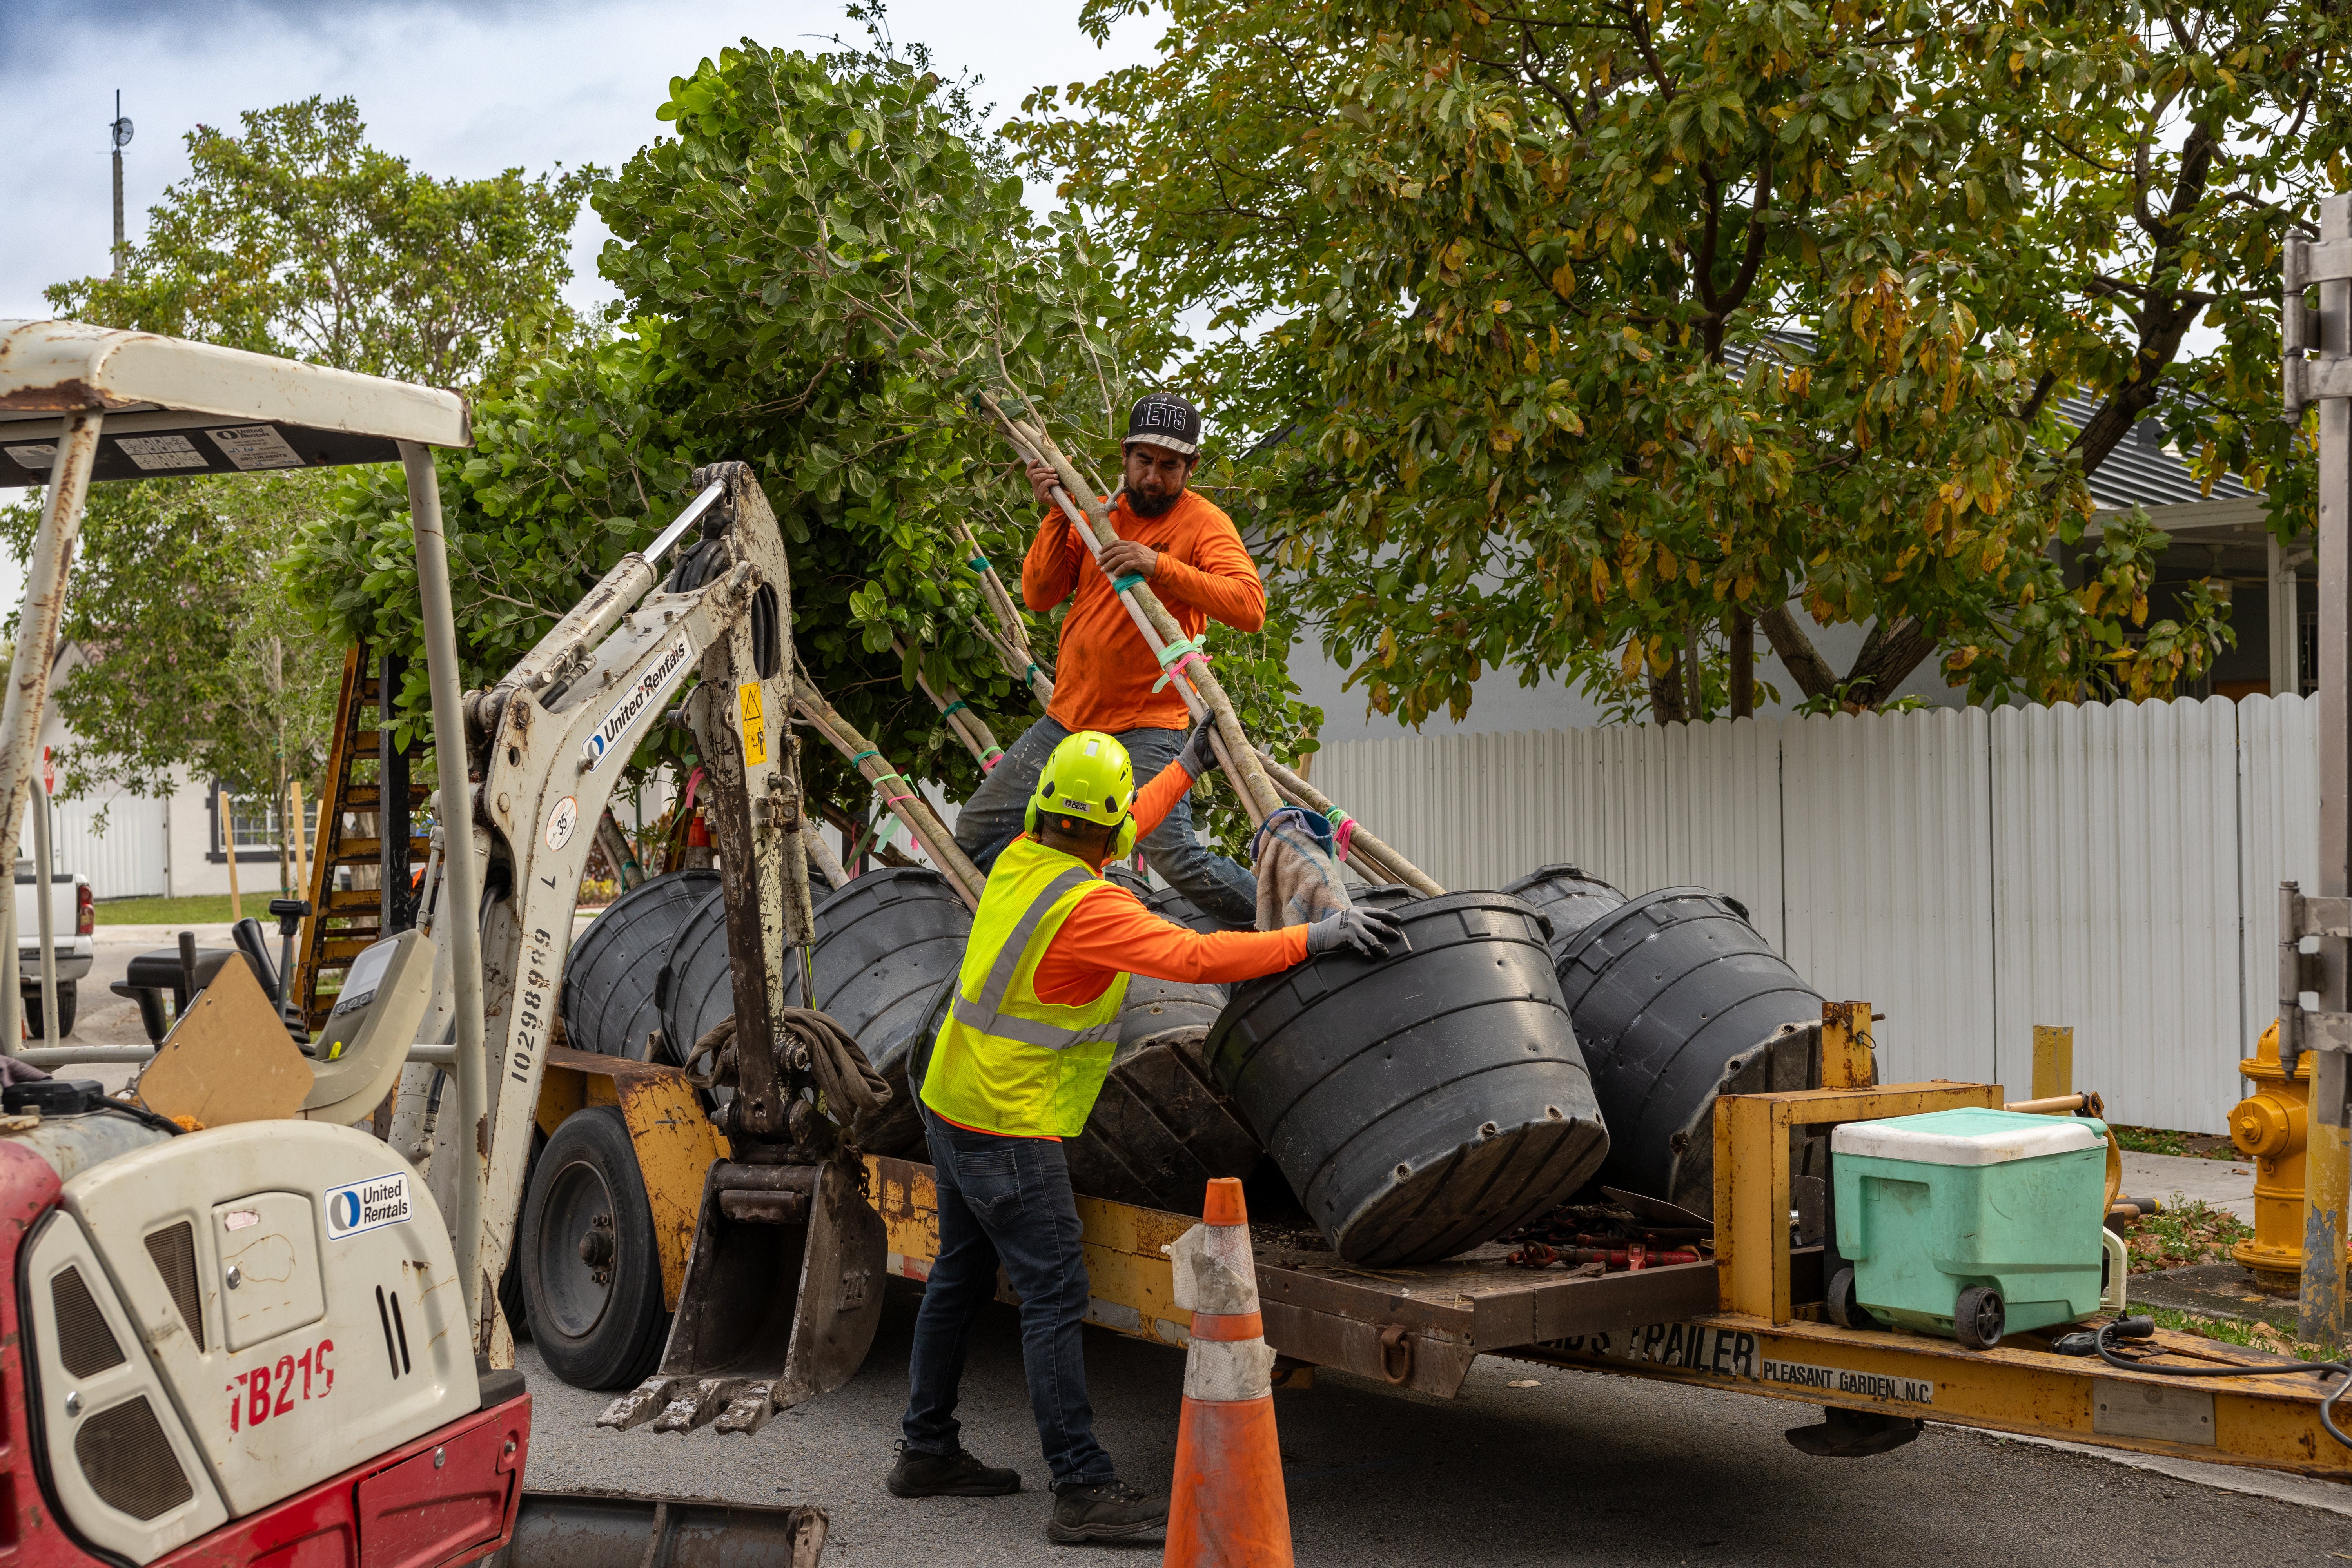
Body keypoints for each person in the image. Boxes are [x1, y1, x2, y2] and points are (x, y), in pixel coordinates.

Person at [891, 728, 1404, 1544]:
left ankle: (926, 1447)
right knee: (1055, 1295)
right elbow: (1196, 956)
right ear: (1101, 826)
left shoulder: (1023, 853)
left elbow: (1117, 822)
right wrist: (1317, 936)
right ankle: (1082, 1488)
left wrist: (1189, 767)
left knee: (958, 1275)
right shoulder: (1089, 909)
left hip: (952, 1103)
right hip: (1010, 1127)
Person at [954, 391, 1263, 928]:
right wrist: (1055, 512)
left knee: (1177, 859)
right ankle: (1041, 921)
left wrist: (1158, 565)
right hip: (1068, 721)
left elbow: (1249, 607)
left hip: (1148, 726)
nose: (1154, 477)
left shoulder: (1203, 523)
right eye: (1144, 461)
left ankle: (1291, 915)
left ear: (1190, 468)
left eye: (1170, 466)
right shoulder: (1096, 513)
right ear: (1125, 456)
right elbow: (1040, 595)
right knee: (978, 832)